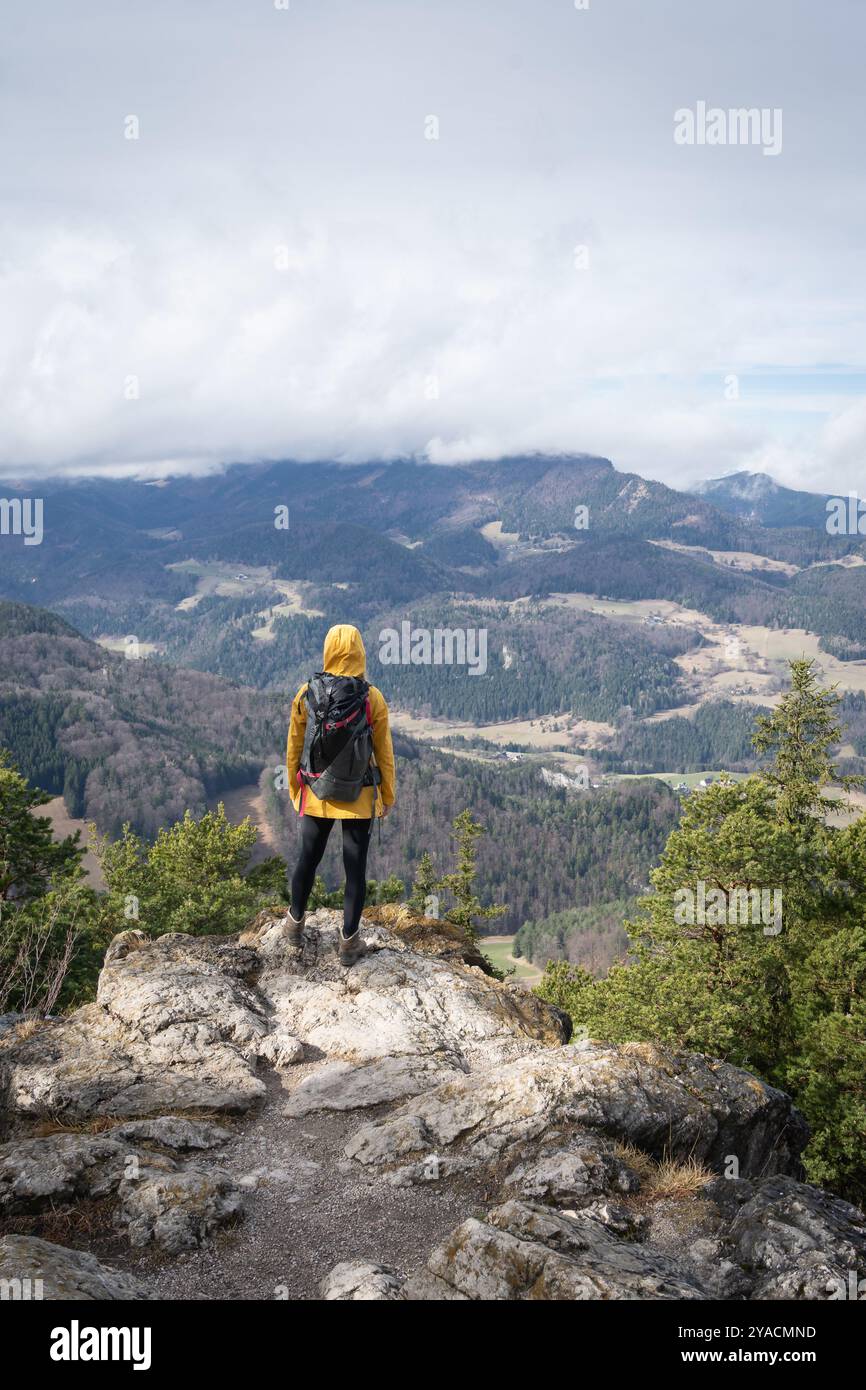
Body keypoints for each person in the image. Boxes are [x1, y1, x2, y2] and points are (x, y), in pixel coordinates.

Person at [285, 623, 396, 964]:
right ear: (361, 651)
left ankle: (294, 925)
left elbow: (294, 745)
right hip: (359, 796)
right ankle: (348, 942)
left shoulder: (307, 692)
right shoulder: (371, 697)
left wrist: (295, 787)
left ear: (328, 649)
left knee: (308, 859)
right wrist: (386, 795)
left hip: (316, 792)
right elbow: (384, 751)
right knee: (354, 871)